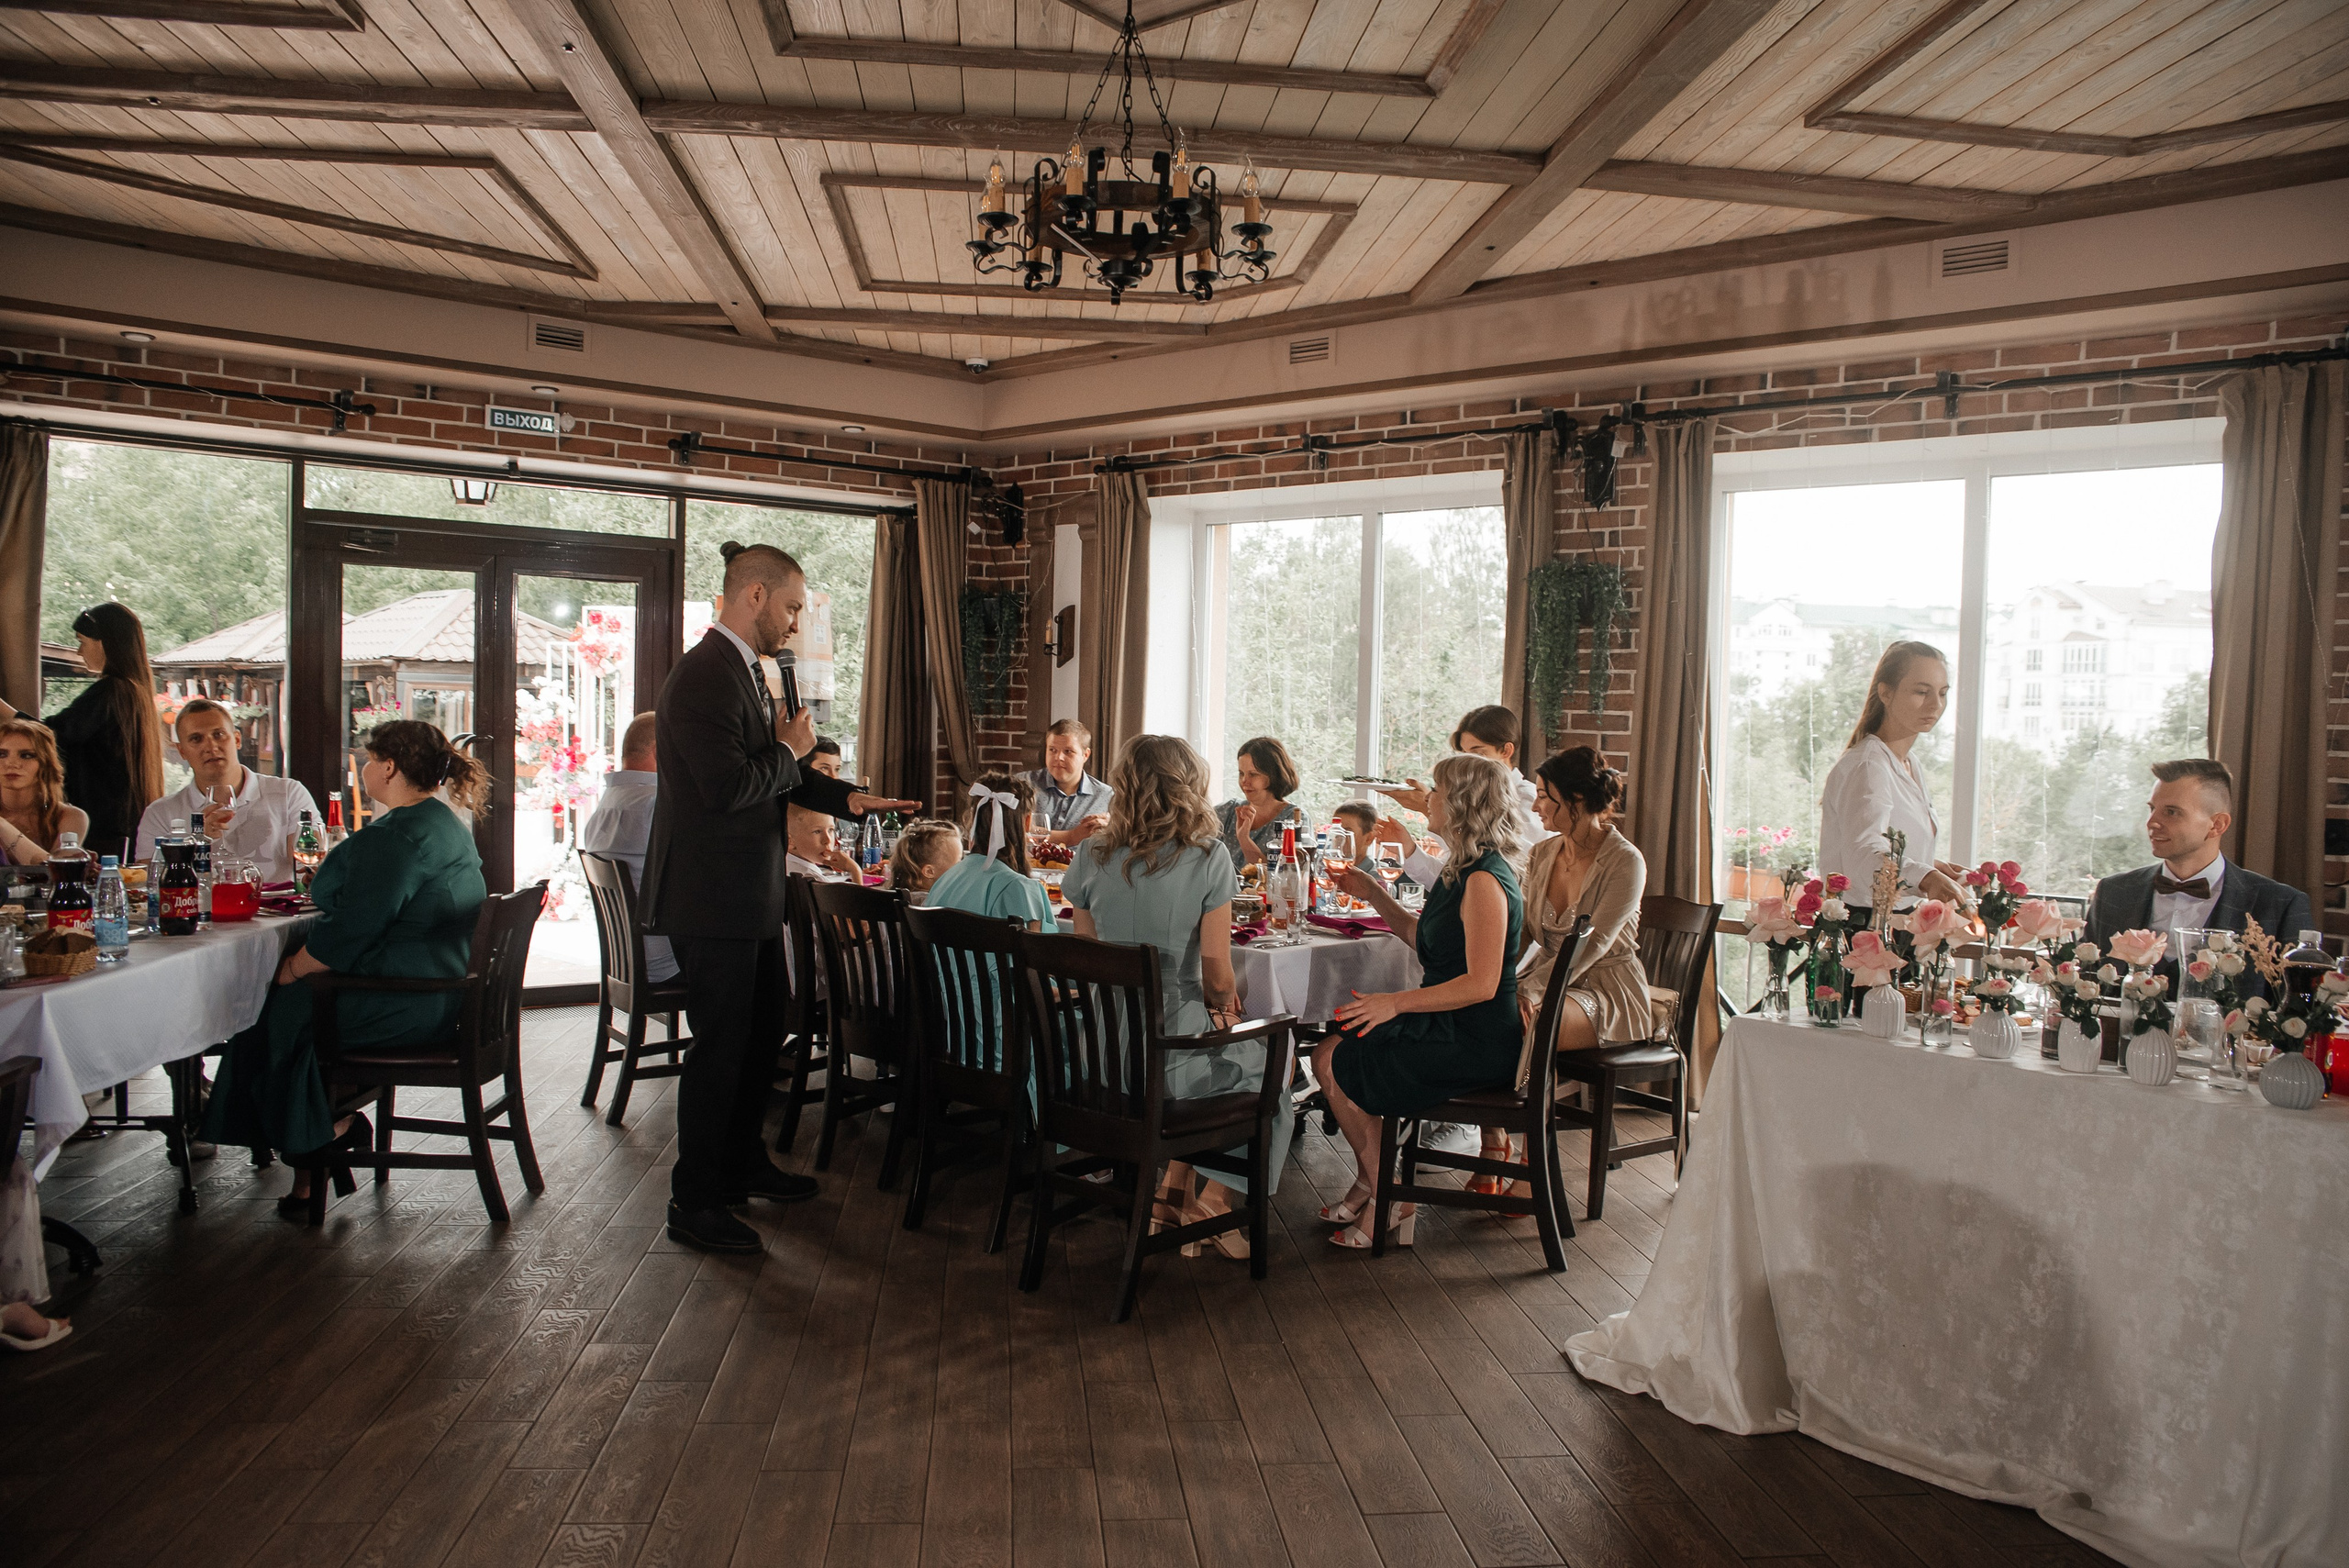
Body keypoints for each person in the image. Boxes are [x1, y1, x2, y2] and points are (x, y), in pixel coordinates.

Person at [640, 541, 914, 1255]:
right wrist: (790, 750)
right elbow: (729, 787)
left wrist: (849, 798)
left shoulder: (744, 671)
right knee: (721, 1047)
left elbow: (777, 773)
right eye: (792, 606)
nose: (795, 623)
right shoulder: (704, 676)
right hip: (714, 896)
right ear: (754, 595)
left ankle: (740, 1162)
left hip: (748, 893)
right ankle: (694, 1199)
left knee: (763, 1032)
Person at [201, 721, 490, 1213]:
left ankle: (317, 1144)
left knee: (275, 1011)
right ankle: (322, 1137)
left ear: (389, 767)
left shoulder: (396, 837)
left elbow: (350, 933)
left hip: (408, 1004)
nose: (364, 768)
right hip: (441, 993)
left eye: (370, 760)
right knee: (287, 1007)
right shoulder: (443, 823)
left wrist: (290, 969)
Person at [1063, 734, 1290, 1258]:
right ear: (1187, 787)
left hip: (1100, 1052)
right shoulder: (1208, 856)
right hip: (1170, 1053)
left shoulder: (1091, 852)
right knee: (1274, 1072)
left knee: (1233, 1057)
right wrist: (1225, 1011)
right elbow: (1217, 973)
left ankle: (1173, 1197)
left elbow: (1087, 958)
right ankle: (1217, 1202)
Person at [1316, 752, 1527, 1250]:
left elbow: (1482, 984)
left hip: (1475, 1037)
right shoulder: (1462, 869)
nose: (1428, 799)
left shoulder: (1484, 880)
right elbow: (1423, 938)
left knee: (1334, 1059)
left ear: (1462, 804)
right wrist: (1374, 893)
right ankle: (1379, 1184)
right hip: (1451, 1023)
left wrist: (1395, 1003)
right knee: (1329, 1051)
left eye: (1437, 791)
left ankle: (1386, 1194)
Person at [2085, 759, 2312, 991]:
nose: (2152, 822)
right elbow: (2086, 987)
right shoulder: (2114, 893)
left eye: (2171, 812)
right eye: (2152, 809)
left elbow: (2293, 1006)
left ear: (2217, 825)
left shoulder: (2280, 905)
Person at [0, 603, 164, 860]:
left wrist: (3, 710)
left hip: (102, 824)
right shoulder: (134, 692)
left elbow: (53, 735)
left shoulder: (112, 691)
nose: (79, 651)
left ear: (104, 642)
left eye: (82, 642)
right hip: (121, 821)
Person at [1817, 640, 1968, 918]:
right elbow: (1862, 856)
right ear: (1886, 693)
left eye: (1943, 693)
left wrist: (1930, 866)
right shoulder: (1868, 766)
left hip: (1896, 920)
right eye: (1922, 692)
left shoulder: (1908, 763)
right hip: (1862, 926)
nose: (1936, 704)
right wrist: (1926, 877)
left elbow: (1878, 847)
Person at [134, 698, 321, 883]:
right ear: (182, 751)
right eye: (196, 739)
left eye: (218, 735)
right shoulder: (160, 814)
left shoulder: (289, 794)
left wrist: (314, 871)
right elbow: (149, 884)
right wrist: (196, 844)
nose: (211, 746)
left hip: (278, 902)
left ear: (237, 739)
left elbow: (311, 863)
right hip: (200, 903)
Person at [1367, 705, 1542, 884]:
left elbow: (1510, 871)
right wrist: (1409, 849)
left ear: (1506, 750)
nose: (1468, 763)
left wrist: (1435, 809)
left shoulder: (1528, 799)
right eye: (1464, 754)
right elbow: (1451, 879)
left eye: (1478, 754)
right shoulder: (1471, 800)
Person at [577, 711, 676, 984]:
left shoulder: (605, 806)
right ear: (660, 751)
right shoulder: (656, 805)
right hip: (665, 962)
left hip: (626, 960)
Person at [928, 775, 1056, 930]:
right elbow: (1035, 945)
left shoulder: (945, 880)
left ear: (973, 818)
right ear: (1027, 822)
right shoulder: (1020, 889)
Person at [0, 717, 89, 864]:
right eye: (2, 754)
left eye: (26, 755)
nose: (11, 763)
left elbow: (56, 871)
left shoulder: (68, 816)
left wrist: (3, 826)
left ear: (45, 764)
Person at [1216, 735, 1307, 870]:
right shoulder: (1228, 810)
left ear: (1273, 775)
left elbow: (1285, 876)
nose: (1244, 781)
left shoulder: (1294, 819)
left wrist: (1244, 839)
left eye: (1253, 774)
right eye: (1241, 773)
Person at [1028, 718, 1113, 846]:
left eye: (1068, 751)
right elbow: (1010, 831)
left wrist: (1111, 827)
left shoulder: (1106, 796)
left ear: (1085, 755)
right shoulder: (1024, 784)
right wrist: (1071, 837)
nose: (1058, 757)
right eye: (1052, 750)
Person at [887, 818, 963, 896]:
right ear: (929, 872)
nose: (963, 865)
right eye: (958, 862)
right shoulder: (928, 901)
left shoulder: (904, 896)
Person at [787, 802, 861, 880]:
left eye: (830, 830)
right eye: (817, 831)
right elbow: (859, 889)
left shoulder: (782, 867)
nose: (828, 840)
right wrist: (855, 870)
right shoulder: (813, 878)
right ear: (790, 841)